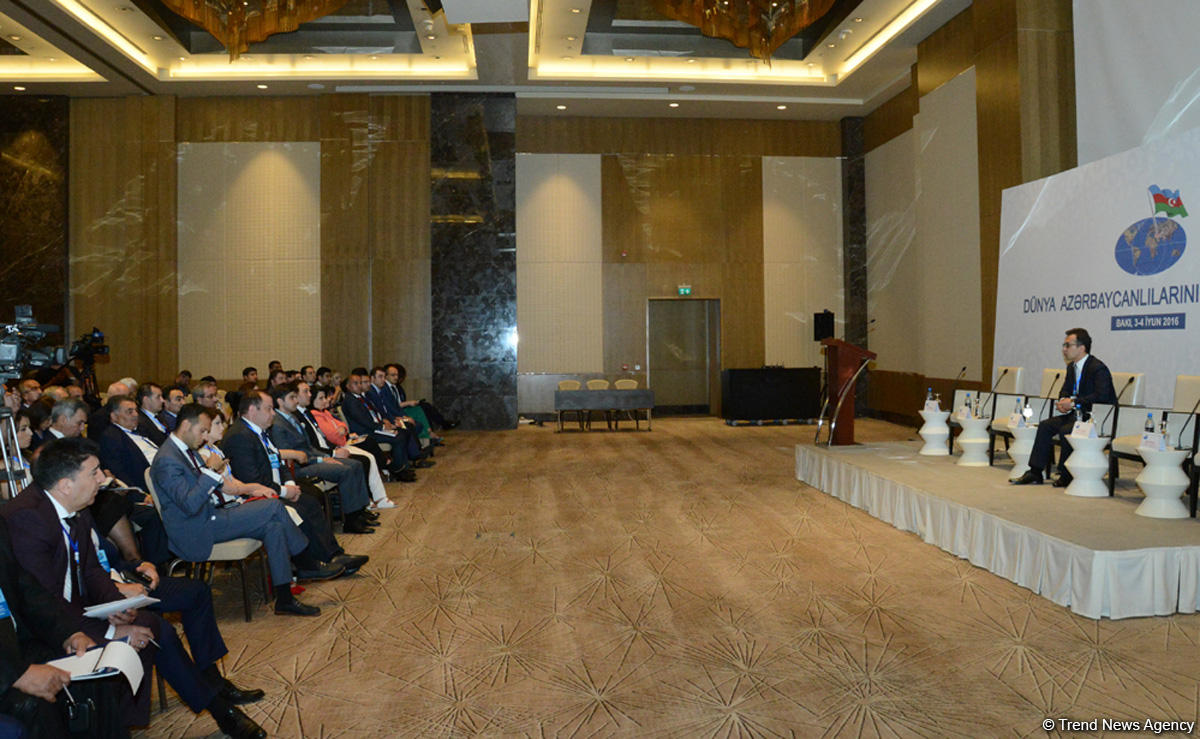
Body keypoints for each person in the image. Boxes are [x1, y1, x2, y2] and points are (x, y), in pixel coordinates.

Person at [1, 438, 266, 737]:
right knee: (151, 631)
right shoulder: (26, 519)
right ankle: (214, 710)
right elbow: (41, 601)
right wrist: (110, 631)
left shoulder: (75, 503)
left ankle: (208, 705)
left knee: (155, 624)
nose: (103, 479)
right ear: (65, 484)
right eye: (94, 473)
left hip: (76, 610)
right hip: (43, 630)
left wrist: (115, 605)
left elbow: (90, 568)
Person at [150, 404, 337, 615]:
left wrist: (227, 481)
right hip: (196, 528)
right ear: (186, 425)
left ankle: (285, 598)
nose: (204, 437)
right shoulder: (167, 460)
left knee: (274, 527)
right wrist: (211, 470)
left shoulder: (183, 450)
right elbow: (190, 505)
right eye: (202, 431)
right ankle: (307, 563)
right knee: (274, 506)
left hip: (211, 514)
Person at [0, 517, 130, 738]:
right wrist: (16, 674)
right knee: (36, 705)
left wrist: (69, 633)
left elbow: (26, 589)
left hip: (13, 644)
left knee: (95, 670)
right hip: (6, 671)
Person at [220, 391, 368, 576]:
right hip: (256, 495)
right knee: (301, 507)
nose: (273, 413)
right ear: (252, 410)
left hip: (274, 486)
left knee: (311, 499)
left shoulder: (259, 430)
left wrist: (290, 484)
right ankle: (310, 565)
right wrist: (284, 491)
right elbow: (251, 480)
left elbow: (279, 462)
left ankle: (333, 555)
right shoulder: (239, 436)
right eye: (268, 409)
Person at [1012, 327, 1116, 487]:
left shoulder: (1097, 368)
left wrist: (1073, 403)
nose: (1064, 349)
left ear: (1081, 348)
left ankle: (1065, 474)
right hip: (1076, 415)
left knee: (1066, 430)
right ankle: (1035, 472)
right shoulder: (1072, 367)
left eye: (1068, 345)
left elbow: (1102, 397)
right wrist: (1062, 401)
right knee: (1045, 426)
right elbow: (1065, 390)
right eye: (1064, 345)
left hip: (1095, 417)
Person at [267, 383, 376, 534]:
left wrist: (324, 456)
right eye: (292, 398)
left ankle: (360, 512)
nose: (296, 400)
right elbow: (292, 456)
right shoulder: (278, 424)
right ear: (280, 401)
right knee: (345, 470)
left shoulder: (292, 417)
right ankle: (351, 520)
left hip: (311, 459)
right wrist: (320, 460)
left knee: (356, 464)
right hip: (300, 467)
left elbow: (309, 446)